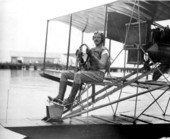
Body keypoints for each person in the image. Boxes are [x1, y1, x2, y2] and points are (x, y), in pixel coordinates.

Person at [48, 31, 110, 110]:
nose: (96, 39)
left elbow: (102, 65)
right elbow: (86, 67)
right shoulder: (92, 50)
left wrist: (92, 56)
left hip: (99, 74)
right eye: (94, 37)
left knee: (78, 75)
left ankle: (70, 101)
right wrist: (80, 58)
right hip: (90, 72)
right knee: (64, 74)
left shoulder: (104, 51)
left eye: (98, 37)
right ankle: (60, 97)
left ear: (102, 39)